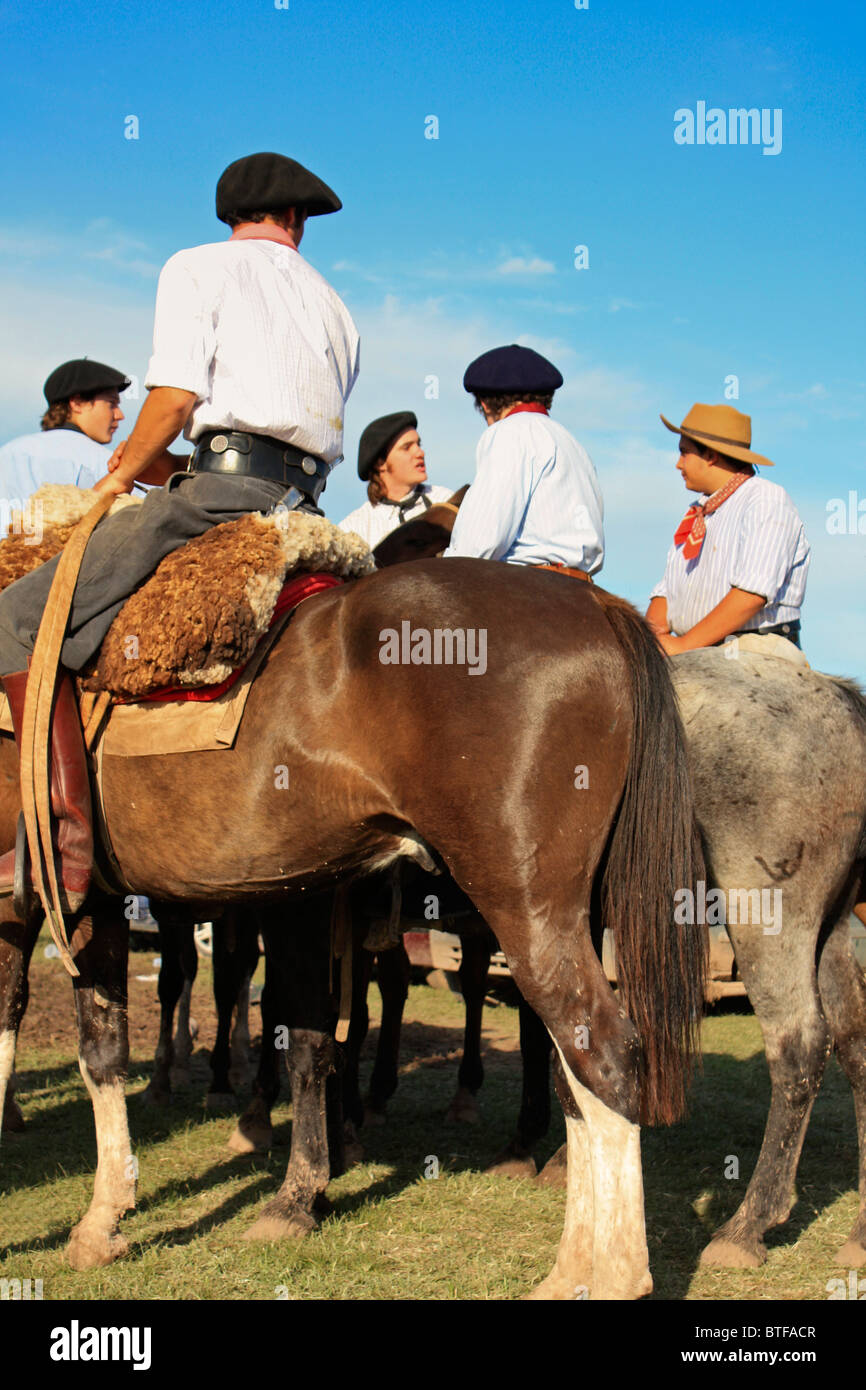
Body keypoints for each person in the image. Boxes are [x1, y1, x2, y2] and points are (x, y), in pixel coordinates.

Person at [0, 150, 360, 908]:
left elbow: (174, 398)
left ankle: (54, 842)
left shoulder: (196, 267)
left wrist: (119, 472)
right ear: (295, 219)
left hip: (220, 499)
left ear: (231, 215)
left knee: (13, 620)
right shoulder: (336, 305)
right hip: (307, 507)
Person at [646, 404, 810, 654]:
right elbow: (668, 590)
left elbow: (751, 595)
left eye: (684, 453)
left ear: (711, 455)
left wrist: (683, 645)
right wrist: (650, 640)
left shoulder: (766, 499)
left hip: (757, 649)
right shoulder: (697, 511)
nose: (678, 464)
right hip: (699, 650)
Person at [442, 344, 604, 577]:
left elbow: (481, 540)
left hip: (530, 585)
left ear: (485, 404)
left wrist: (444, 571)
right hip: (583, 586)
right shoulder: (574, 445)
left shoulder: (508, 432)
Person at [0, 358, 129, 500]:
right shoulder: (111, 466)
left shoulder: (9, 452)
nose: (120, 415)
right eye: (112, 404)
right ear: (77, 403)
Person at [338, 411, 453, 548]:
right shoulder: (355, 528)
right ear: (380, 463)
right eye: (407, 447)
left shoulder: (444, 501)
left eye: (418, 444)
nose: (420, 453)